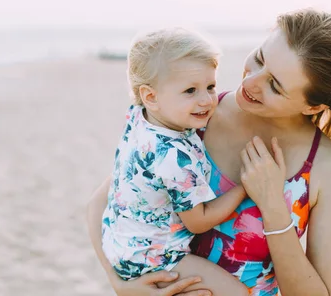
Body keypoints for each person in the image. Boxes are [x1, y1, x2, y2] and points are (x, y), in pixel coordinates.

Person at [87, 9, 331, 296]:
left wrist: (275, 208)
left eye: (274, 85)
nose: (249, 82)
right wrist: (122, 285)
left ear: (312, 105)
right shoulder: (195, 113)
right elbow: (106, 202)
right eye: (259, 59)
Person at [101, 28, 253, 294]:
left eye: (210, 86)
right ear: (151, 96)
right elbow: (199, 221)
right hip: (152, 258)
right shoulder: (174, 156)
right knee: (237, 293)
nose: (206, 100)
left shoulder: (139, 117)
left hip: (119, 242)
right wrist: (244, 187)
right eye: (190, 91)